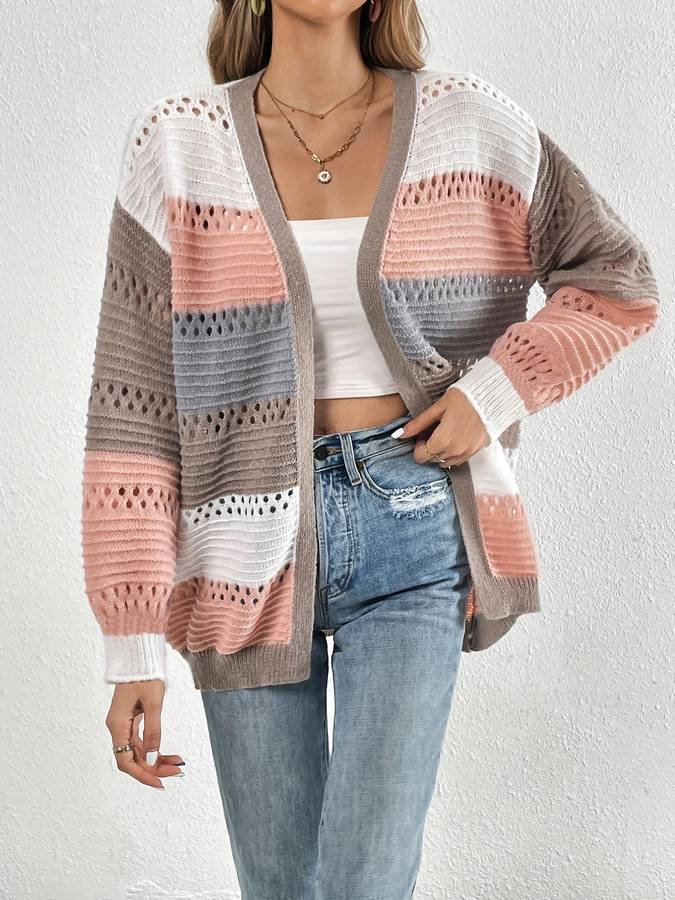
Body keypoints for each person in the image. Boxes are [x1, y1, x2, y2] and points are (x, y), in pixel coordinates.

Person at [80, 1, 660, 897]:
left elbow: (616, 279)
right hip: (240, 550)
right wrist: (131, 647)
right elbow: (134, 408)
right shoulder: (177, 144)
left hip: (415, 517)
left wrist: (490, 393)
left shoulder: (469, 124)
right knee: (279, 881)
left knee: (367, 875)